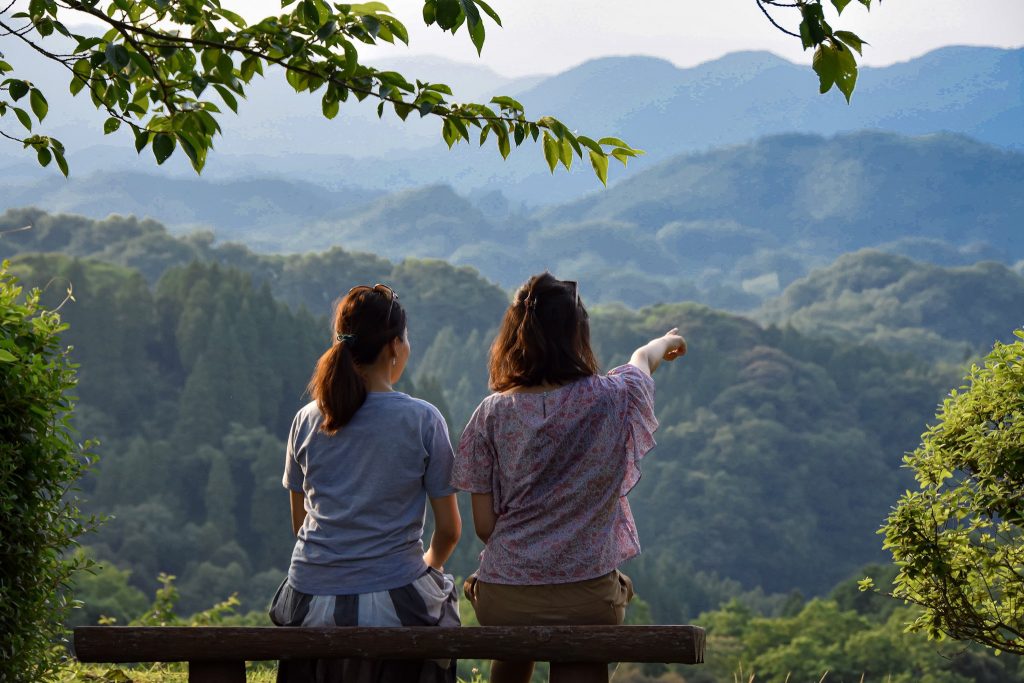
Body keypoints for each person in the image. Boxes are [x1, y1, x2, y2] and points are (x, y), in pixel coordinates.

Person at [452, 273, 686, 683]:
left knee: (513, 646)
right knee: (585, 650)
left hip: (506, 598)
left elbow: (485, 528)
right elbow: (640, 361)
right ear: (578, 334)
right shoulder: (615, 396)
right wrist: (665, 343)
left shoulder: (490, 414)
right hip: (588, 598)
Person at [270, 283, 462, 683]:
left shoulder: (307, 418)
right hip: (394, 597)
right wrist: (428, 566)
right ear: (395, 346)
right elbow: (448, 531)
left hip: (309, 598)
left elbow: (298, 524)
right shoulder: (423, 420)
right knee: (443, 602)